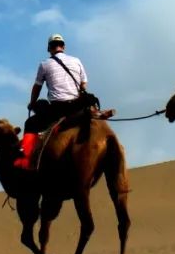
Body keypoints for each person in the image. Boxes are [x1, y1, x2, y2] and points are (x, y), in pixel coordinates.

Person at [18, 34, 110, 169]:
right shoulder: (76, 61)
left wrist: (32, 103)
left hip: (58, 108)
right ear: (63, 47)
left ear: (49, 48)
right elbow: (83, 85)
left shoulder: (44, 64)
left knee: (30, 123)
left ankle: (26, 162)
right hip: (77, 105)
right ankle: (96, 113)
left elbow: (37, 87)